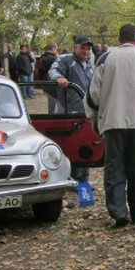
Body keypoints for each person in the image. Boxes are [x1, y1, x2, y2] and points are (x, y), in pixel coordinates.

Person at [86, 24, 135, 227]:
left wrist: (95, 118)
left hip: (114, 121)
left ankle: (118, 211)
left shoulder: (106, 59)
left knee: (114, 167)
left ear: (119, 38)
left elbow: (93, 95)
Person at [49, 35, 95, 189]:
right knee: (67, 145)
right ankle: (67, 178)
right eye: (83, 48)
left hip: (84, 113)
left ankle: (82, 180)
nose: (86, 51)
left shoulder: (89, 65)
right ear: (75, 47)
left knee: (85, 143)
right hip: (67, 112)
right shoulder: (65, 60)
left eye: (88, 48)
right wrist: (59, 78)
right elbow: (53, 71)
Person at [37, 42, 59, 112]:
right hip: (52, 84)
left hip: (44, 82)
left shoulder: (42, 57)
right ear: (53, 48)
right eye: (56, 49)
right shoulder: (53, 59)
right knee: (53, 104)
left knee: (51, 103)